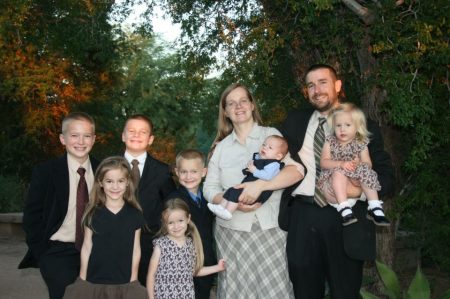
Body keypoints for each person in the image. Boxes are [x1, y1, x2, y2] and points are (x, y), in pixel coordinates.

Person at [279, 64, 395, 298]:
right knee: (304, 290)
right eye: (311, 85)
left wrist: (355, 191)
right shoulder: (294, 121)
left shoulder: (362, 123)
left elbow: (387, 175)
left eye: (323, 82)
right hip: (303, 216)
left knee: (345, 291)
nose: (316, 90)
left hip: (347, 220)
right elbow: (267, 146)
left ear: (337, 85)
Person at [203, 83, 303, 298]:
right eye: (231, 103)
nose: (238, 106)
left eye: (243, 101)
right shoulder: (221, 147)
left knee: (274, 290)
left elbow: (296, 171)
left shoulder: (271, 135)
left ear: (252, 104)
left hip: (269, 230)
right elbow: (209, 188)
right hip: (231, 232)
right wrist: (233, 202)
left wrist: (260, 186)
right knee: (236, 291)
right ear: (226, 112)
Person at [19, 112, 99, 299]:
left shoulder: (103, 170)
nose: (81, 141)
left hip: (97, 250)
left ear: (94, 139)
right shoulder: (46, 172)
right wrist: (42, 252)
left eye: (86, 136)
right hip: (58, 251)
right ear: (63, 139)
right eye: (74, 135)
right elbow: (32, 215)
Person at [62, 156, 147, 299]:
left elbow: (136, 249)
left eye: (120, 181)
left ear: (127, 183)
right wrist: (83, 279)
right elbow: (87, 246)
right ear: (100, 182)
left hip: (124, 282)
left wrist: (133, 279)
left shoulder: (135, 214)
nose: (115, 186)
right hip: (94, 280)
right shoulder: (92, 213)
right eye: (109, 181)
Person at [121, 114, 176, 285]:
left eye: (142, 132)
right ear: (123, 135)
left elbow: (170, 205)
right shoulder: (108, 165)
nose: (136, 135)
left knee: (147, 288)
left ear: (150, 139)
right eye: (131, 131)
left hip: (149, 243)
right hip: (115, 240)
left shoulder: (162, 171)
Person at [318, 103, 390, 227]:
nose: (342, 129)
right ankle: (344, 209)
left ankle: (374, 206)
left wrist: (360, 166)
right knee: (338, 172)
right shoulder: (330, 142)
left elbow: (368, 163)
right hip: (334, 187)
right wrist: (340, 163)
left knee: (366, 170)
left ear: (357, 127)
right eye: (338, 125)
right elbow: (323, 162)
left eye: (347, 125)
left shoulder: (361, 143)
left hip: (353, 183)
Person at [146, 198, 226, 299]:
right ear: (164, 223)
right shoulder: (161, 245)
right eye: (170, 223)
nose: (176, 226)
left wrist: (218, 267)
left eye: (180, 221)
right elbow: (151, 275)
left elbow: (194, 271)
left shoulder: (191, 244)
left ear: (188, 219)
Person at [166, 149, 217, 299]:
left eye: (194, 171)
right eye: (184, 172)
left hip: (205, 260)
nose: (188, 177)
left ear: (204, 172)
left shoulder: (209, 199)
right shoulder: (174, 200)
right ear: (177, 172)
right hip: (182, 264)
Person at [207, 135, 288, 220]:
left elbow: (268, 176)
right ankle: (221, 207)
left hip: (258, 193)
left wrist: (254, 170)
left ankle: (228, 212)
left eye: (270, 147)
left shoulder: (273, 164)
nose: (265, 147)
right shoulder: (261, 158)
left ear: (278, 156)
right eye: (264, 144)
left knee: (235, 193)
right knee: (231, 190)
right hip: (247, 186)